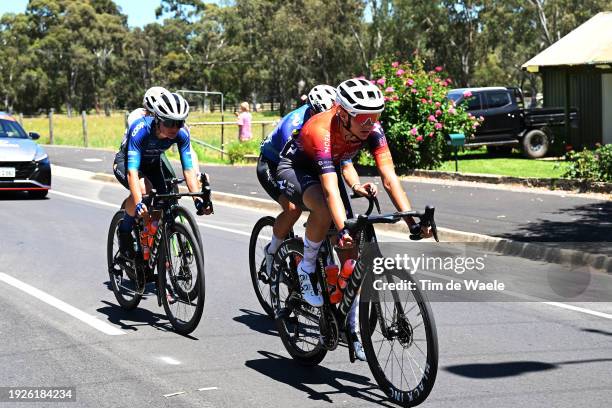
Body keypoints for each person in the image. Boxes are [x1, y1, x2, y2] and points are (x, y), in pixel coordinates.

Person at [276, 78, 431, 360]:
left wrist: (412, 221)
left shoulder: (372, 128)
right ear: (344, 114)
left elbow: (388, 176)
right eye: (363, 117)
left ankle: (351, 326)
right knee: (325, 212)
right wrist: (341, 227)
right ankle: (306, 267)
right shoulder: (321, 129)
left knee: (349, 252)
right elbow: (330, 189)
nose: (370, 123)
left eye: (376, 116)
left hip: (329, 169)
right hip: (297, 169)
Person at [113, 89, 211, 259]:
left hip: (152, 164)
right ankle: (125, 231)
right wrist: (138, 203)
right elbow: (132, 172)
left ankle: (149, 241)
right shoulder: (141, 129)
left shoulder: (181, 133)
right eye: (169, 122)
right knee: (144, 189)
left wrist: (198, 200)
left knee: (163, 200)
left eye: (179, 122)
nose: (174, 128)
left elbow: (188, 169)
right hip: (127, 163)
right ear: (158, 119)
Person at [257, 85, 337, 278]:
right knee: (293, 208)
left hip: (304, 163)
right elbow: (292, 165)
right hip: (275, 164)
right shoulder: (293, 124)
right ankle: (272, 251)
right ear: (311, 109)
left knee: (329, 206)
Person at [124, 87, 201, 182]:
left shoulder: (175, 124)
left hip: (156, 152)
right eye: (152, 114)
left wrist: (197, 175)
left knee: (171, 182)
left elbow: (190, 151)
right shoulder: (136, 117)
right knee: (143, 188)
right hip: (136, 151)